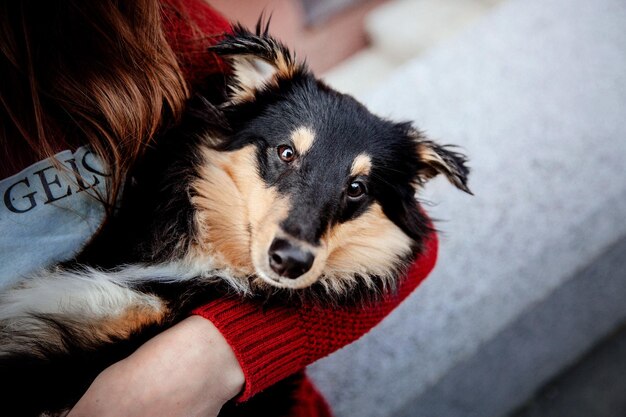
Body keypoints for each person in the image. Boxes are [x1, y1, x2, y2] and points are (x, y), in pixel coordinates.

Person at [0, 0, 438, 416]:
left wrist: (214, 355)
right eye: (286, 157)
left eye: (355, 188)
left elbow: (415, 239)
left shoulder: (133, 20)